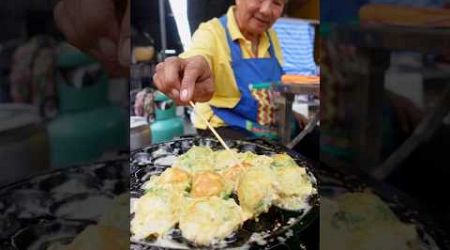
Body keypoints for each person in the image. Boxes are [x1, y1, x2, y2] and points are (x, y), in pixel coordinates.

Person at [152, 0, 288, 140]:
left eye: (277, 3)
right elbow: (199, 53)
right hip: (223, 128)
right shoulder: (211, 32)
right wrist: (186, 69)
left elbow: (274, 87)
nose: (266, 10)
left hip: (263, 127)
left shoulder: (272, 36)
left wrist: (292, 113)